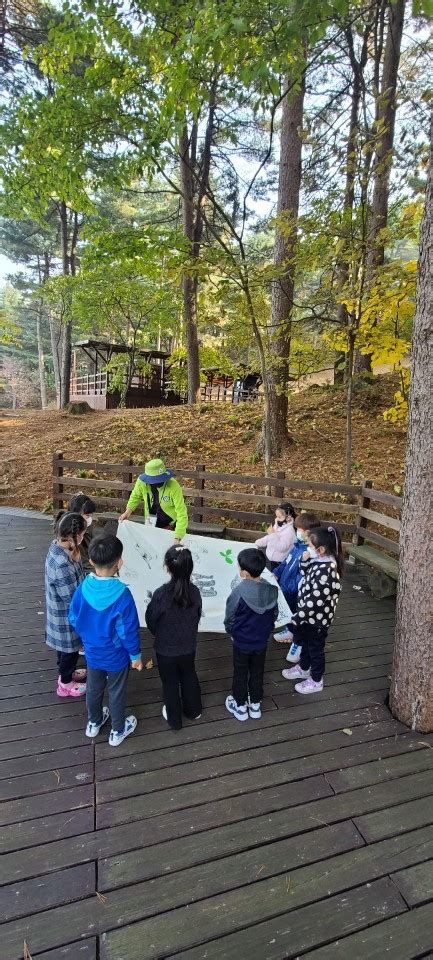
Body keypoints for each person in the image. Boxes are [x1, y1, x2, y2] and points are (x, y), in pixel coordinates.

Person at [68, 534, 143, 746]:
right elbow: (128, 631)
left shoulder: (82, 588)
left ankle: (93, 723)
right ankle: (118, 731)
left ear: (90, 561)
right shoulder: (123, 595)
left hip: (92, 651)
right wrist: (135, 655)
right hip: (116, 655)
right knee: (116, 691)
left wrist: (87, 636)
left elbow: (73, 616)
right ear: (119, 562)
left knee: (94, 686)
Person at [145, 545, 202, 731]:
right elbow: (196, 617)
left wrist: (160, 634)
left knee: (170, 683)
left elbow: (151, 620)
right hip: (188, 646)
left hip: (165, 649)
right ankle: (194, 711)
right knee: (189, 674)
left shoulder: (161, 594)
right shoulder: (195, 592)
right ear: (190, 567)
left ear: (167, 568)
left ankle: (174, 720)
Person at [282, 525, 343, 694]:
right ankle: (304, 667)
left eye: (310, 545)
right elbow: (304, 572)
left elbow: (315, 602)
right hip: (307, 617)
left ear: (321, 549)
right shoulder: (319, 561)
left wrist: (296, 617)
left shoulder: (328, 571)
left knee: (315, 649)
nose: (308, 548)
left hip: (317, 620)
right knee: (305, 644)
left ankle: (316, 680)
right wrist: (304, 560)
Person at [224, 548, 278, 722]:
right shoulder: (271, 590)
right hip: (261, 642)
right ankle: (255, 704)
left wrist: (231, 632)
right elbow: (274, 615)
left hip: (241, 642)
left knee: (240, 672)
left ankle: (240, 706)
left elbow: (230, 617)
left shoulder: (238, 593)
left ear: (244, 573)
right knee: (257, 671)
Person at [45, 511, 87, 698]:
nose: (83, 537)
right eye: (82, 534)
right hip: (65, 617)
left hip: (63, 614)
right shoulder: (61, 563)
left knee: (64, 651)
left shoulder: (60, 548)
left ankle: (67, 673)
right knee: (69, 651)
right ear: (74, 536)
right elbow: (71, 598)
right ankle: (65, 684)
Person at [272, 511, 320, 660]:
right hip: (286, 589)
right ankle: (290, 630)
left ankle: (298, 643)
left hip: (296, 593)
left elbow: (302, 577)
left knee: (298, 616)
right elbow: (286, 562)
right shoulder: (297, 546)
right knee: (290, 613)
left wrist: (287, 588)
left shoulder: (310, 554)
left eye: (299, 530)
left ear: (308, 533)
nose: (297, 532)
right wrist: (276, 573)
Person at [119, 458, 188, 543]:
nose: (156, 482)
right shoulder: (142, 482)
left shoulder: (174, 486)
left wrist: (178, 537)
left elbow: (182, 513)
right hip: (150, 521)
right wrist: (128, 511)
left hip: (169, 523)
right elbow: (135, 496)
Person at [254, 502, 296, 571]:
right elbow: (270, 537)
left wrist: (272, 534)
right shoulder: (278, 525)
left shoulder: (290, 532)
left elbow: (282, 547)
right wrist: (260, 542)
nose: (276, 519)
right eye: (276, 516)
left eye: (279, 517)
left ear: (288, 517)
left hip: (280, 563)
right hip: (271, 558)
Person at [68, 493, 97, 571]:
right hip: (82, 570)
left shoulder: (87, 523)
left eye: (91, 515)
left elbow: (91, 544)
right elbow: (84, 562)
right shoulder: (74, 533)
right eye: (87, 515)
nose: (90, 518)